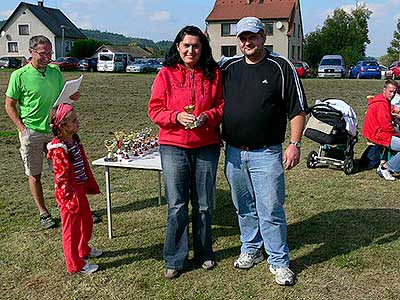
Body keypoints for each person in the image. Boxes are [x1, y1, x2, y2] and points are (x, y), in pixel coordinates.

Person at [221, 17, 307, 286]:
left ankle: (279, 261)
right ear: (239, 41)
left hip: (267, 153)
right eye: (243, 38)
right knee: (244, 207)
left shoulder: (281, 66)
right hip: (234, 153)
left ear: (263, 37)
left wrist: (294, 144)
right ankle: (251, 248)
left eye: (253, 37)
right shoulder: (229, 67)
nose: (248, 42)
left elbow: (298, 109)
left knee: (270, 208)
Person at [148, 25, 223, 279]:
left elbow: (223, 106)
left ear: (203, 49)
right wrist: (176, 116)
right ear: (178, 47)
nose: (191, 50)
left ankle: (204, 253)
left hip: (206, 146)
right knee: (177, 204)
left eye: (196, 45)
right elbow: (154, 110)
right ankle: (175, 257)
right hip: (173, 146)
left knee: (203, 204)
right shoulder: (165, 74)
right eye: (186, 45)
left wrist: (208, 117)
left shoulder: (214, 73)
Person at [5, 35, 80, 229]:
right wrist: (22, 129)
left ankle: (68, 208)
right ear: (31, 52)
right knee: (35, 174)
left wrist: (72, 96)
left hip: (55, 132)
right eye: (43, 53)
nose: (47, 56)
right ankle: (43, 213)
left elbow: (62, 100)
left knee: (62, 172)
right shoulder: (19, 75)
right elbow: (9, 105)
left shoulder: (55, 71)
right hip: (33, 133)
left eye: (50, 52)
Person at [47, 103, 102, 274]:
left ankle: (83, 249)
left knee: (86, 221)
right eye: (73, 121)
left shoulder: (74, 139)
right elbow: (61, 178)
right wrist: (68, 199)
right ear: (61, 126)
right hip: (68, 194)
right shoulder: (58, 149)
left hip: (79, 189)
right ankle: (74, 264)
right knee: (71, 229)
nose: (78, 123)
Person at [362, 79, 400, 181]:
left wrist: (393, 118)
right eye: (390, 91)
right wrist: (397, 135)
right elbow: (386, 126)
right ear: (384, 90)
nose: (392, 94)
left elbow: (387, 116)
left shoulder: (382, 100)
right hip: (378, 134)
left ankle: (388, 163)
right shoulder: (382, 103)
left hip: (376, 132)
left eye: (394, 92)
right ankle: (386, 167)